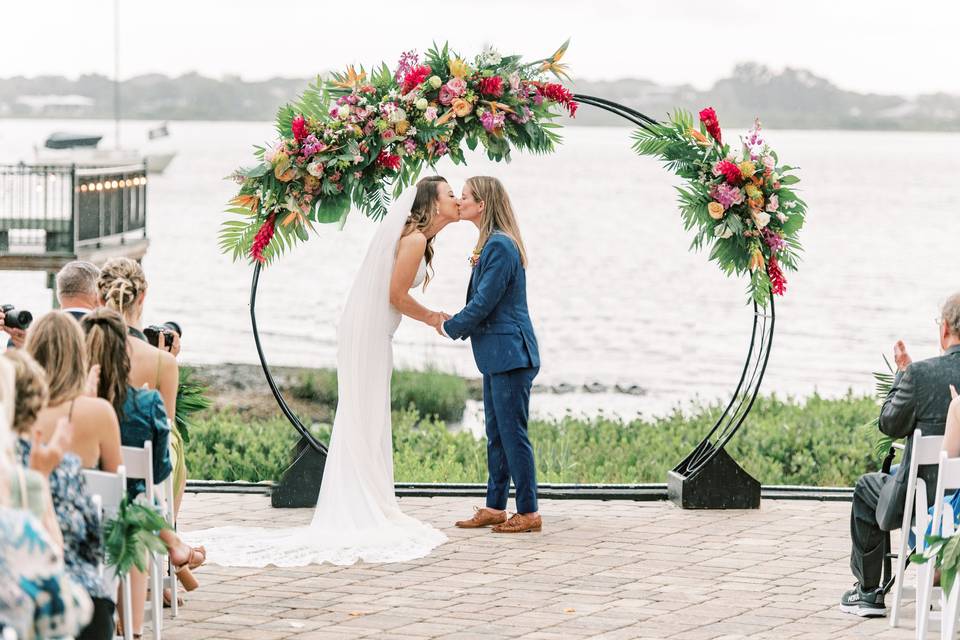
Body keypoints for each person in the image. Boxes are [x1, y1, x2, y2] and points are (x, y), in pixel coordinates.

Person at [183, 175, 458, 566]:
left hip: (372, 330)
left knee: (366, 415)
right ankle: (361, 502)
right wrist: (433, 318)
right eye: (450, 194)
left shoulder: (419, 240)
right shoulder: (414, 240)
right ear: (431, 203)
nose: (456, 198)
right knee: (363, 415)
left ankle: (370, 496)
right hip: (369, 332)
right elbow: (395, 296)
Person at [841, 292, 960, 617]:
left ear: (945, 328)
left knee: (868, 487)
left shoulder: (921, 375)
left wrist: (902, 374)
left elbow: (889, 423)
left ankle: (868, 593)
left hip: (920, 499)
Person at [82, 307, 204, 617]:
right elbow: (160, 468)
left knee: (129, 500)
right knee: (135, 507)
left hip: (77, 504)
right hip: (122, 510)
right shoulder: (144, 403)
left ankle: (174, 546)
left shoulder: (69, 405)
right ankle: (133, 626)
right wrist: (163, 361)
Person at [439, 176, 542, 534]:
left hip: (512, 354)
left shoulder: (499, 246)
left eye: (465, 196)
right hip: (498, 355)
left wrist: (449, 326)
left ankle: (528, 512)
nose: (460, 201)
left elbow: (484, 302)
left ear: (482, 204)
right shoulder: (492, 243)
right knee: (496, 434)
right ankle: (496, 507)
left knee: (513, 435)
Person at [6, 349, 112, 639]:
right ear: (35, 405)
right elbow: (89, 545)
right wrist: (40, 480)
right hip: (55, 604)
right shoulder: (58, 465)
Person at [97, 257, 187, 513]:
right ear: (142, 296)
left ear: (100, 296)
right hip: (143, 475)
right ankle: (169, 531)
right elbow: (164, 430)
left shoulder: (83, 347)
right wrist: (167, 359)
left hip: (93, 466)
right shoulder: (162, 363)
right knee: (176, 439)